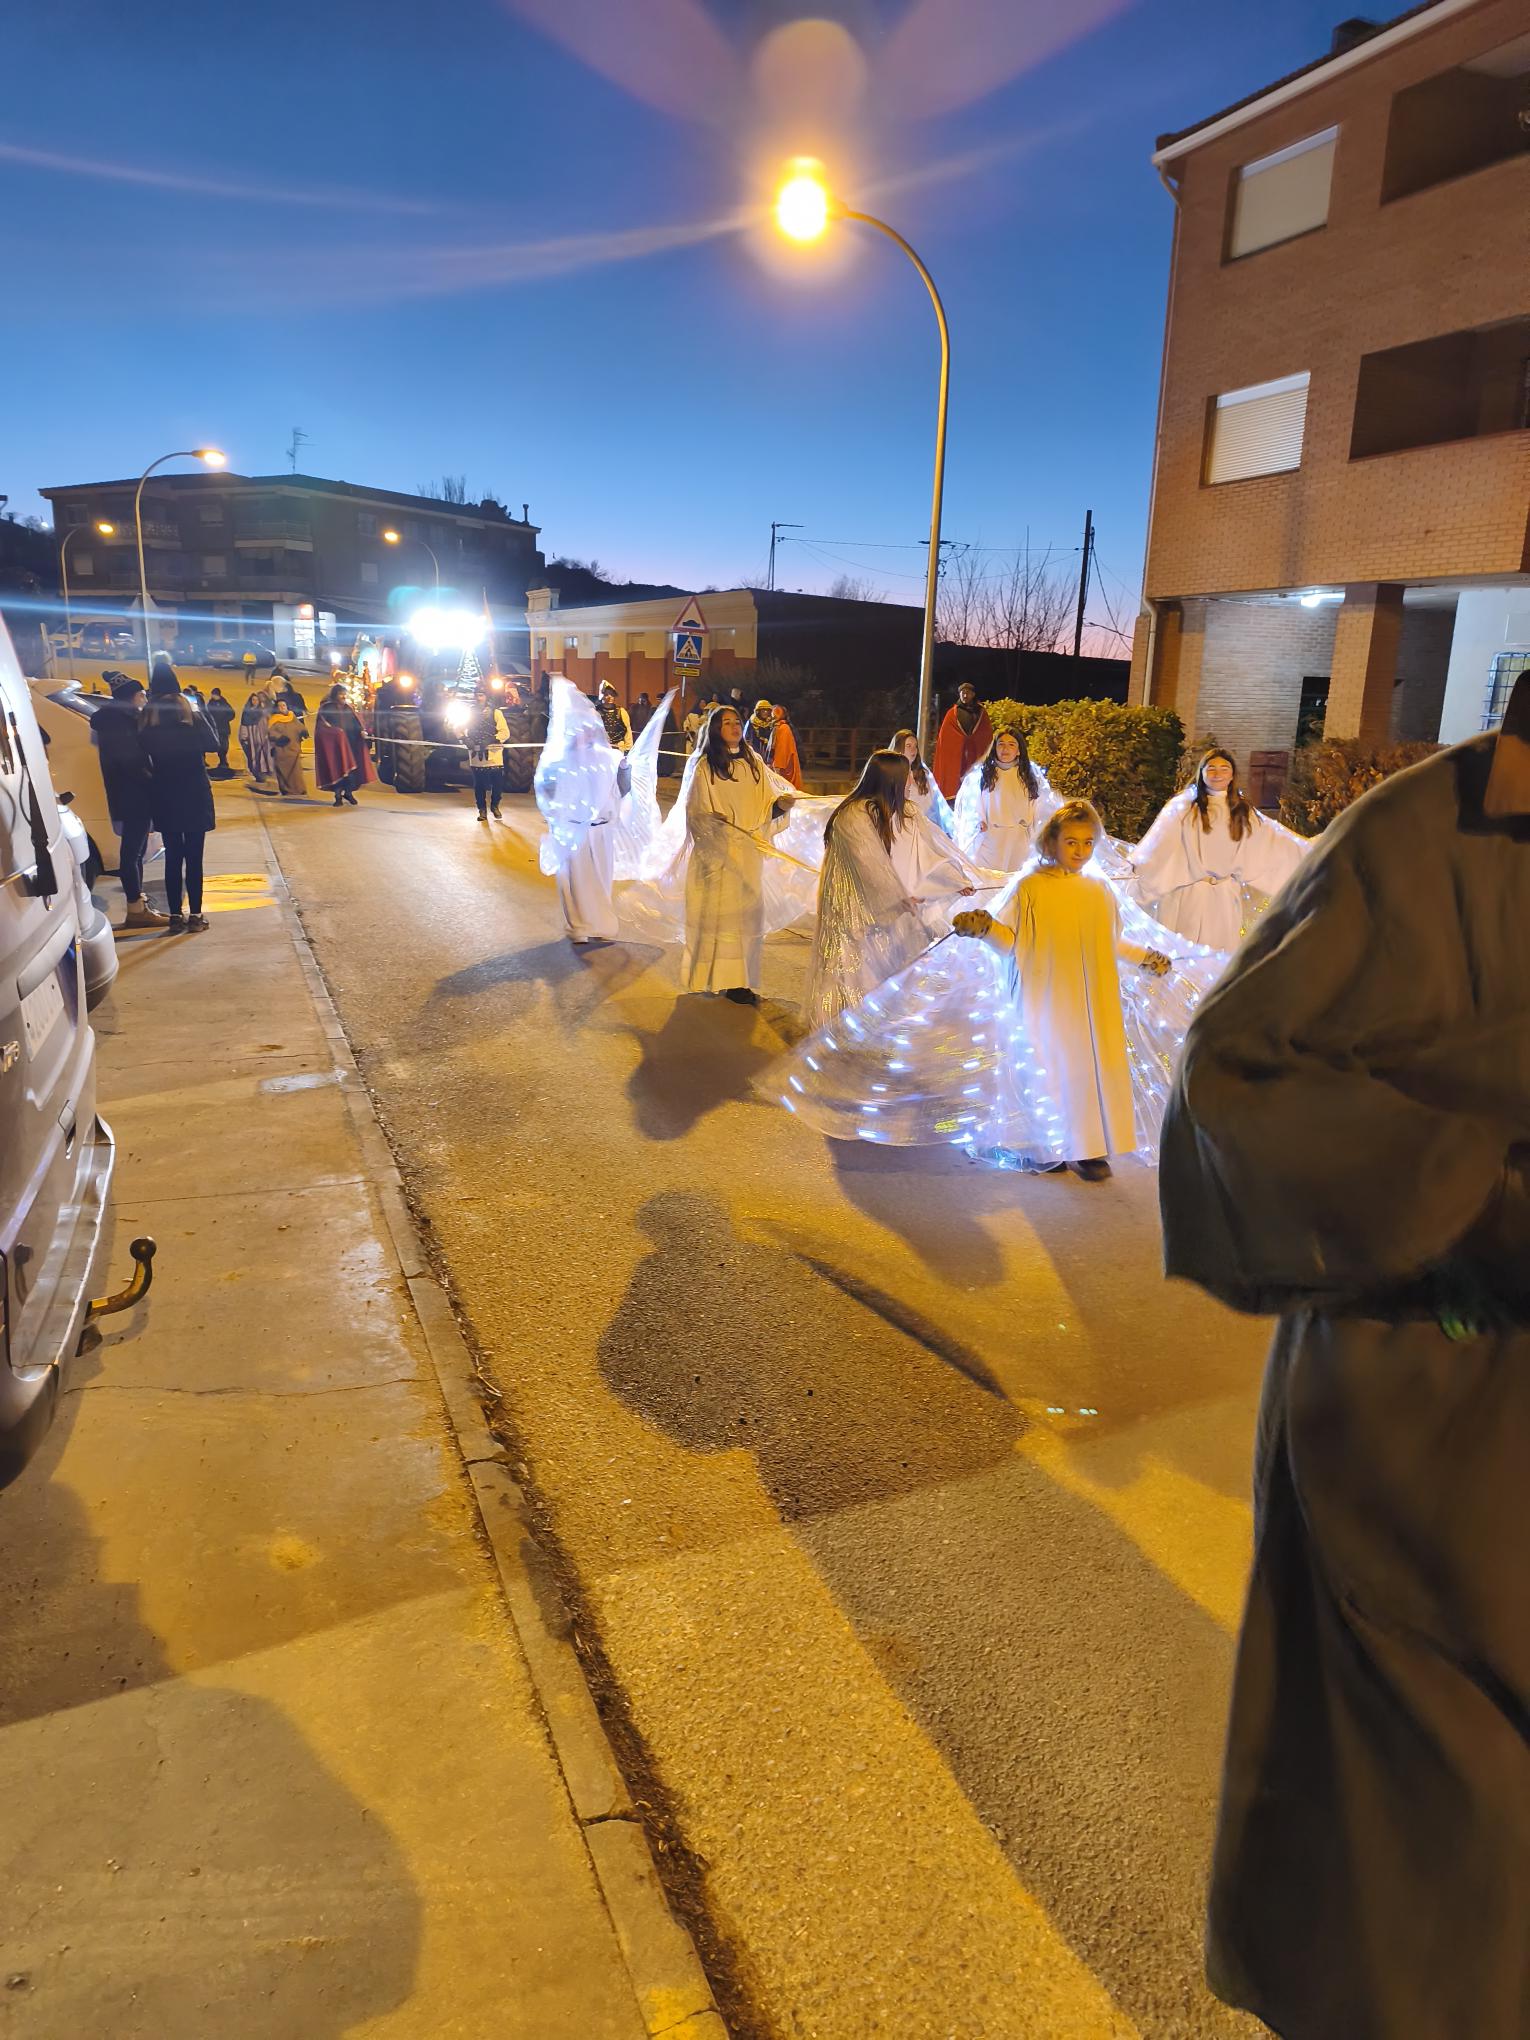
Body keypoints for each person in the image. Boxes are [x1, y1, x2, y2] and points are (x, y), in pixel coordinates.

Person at [1157, 684, 1530, 2040]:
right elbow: (1233, 1083)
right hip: (1432, 1478)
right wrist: (1481, 1191)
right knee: (1429, 1922)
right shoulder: (1424, 837)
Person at [952, 800, 1170, 1179]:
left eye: (1088, 843)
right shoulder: (1030, 887)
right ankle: (1046, 1145)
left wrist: (1145, 958)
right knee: (1048, 1065)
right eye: (1071, 842)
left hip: (1092, 997)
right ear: (1052, 842)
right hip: (1045, 992)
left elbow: (1111, 940)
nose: (1080, 851)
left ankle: (1088, 1148)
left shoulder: (1099, 890)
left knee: (1088, 1069)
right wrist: (984, 929)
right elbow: (1011, 942)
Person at [805, 750, 984, 1028]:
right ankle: (841, 1029)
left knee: (889, 970)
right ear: (892, 780)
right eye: (907, 775)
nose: (912, 780)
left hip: (895, 906)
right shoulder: (854, 817)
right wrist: (896, 897)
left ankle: (875, 1028)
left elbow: (931, 849)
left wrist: (954, 880)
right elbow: (869, 865)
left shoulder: (907, 812)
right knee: (853, 969)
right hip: (856, 910)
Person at [1129, 747, 1310, 953]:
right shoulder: (1183, 806)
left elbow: (1272, 840)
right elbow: (1160, 842)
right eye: (1211, 768)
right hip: (1187, 896)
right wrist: (1138, 866)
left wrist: (1310, 853)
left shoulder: (1242, 810)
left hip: (1224, 899)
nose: (1217, 774)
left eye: (1224, 769)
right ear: (1202, 773)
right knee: (1184, 956)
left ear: (1232, 775)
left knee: (1218, 956)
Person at [682, 704, 797, 1004]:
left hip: (748, 855)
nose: (734, 727)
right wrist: (713, 824)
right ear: (715, 730)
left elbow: (763, 807)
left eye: (737, 721)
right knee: (723, 919)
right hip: (719, 858)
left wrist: (780, 806)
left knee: (747, 919)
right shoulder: (705, 767)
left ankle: (740, 980)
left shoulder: (753, 762)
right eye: (727, 723)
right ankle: (722, 979)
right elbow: (695, 812)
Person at [534, 678, 627, 942]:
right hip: (573, 829)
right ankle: (579, 926)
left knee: (600, 880)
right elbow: (548, 791)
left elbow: (622, 789)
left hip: (601, 829)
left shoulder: (608, 758)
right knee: (574, 880)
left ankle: (601, 924)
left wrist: (625, 770)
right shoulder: (559, 761)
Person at [141, 669, 217, 935]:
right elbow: (214, 743)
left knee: (173, 857)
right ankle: (195, 915)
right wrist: (198, 713)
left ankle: (175, 916)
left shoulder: (148, 722)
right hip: (194, 793)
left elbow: (141, 757)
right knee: (195, 858)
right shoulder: (191, 719)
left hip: (165, 794)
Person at [91, 676, 165, 929]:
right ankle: (135, 908)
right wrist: (153, 783)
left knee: (136, 851)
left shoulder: (116, 720)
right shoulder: (119, 723)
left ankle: (139, 905)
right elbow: (131, 762)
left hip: (128, 793)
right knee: (132, 852)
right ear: (132, 696)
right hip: (134, 794)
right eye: (141, 693)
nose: (144, 697)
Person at [954, 728, 1058, 871]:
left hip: (1019, 841)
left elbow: (1040, 805)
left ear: (1019, 750)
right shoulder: (982, 775)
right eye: (1001, 744)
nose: (1005, 749)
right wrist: (978, 820)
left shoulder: (1030, 776)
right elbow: (971, 803)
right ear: (995, 748)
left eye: (1011, 744)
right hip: (991, 841)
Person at [314, 684, 375, 807]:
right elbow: (321, 727)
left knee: (351, 772)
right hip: (335, 748)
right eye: (341, 694)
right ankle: (338, 796)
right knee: (338, 770)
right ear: (335, 695)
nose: (343, 696)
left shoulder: (348, 708)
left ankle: (348, 793)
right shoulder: (327, 708)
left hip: (351, 744)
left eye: (344, 694)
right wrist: (337, 733)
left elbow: (356, 723)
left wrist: (361, 731)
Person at [932, 682, 992, 799]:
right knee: (955, 785)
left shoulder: (981, 713)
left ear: (973, 694)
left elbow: (986, 735)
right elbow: (945, 739)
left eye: (968, 693)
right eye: (962, 693)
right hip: (956, 757)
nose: (965, 695)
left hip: (975, 755)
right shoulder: (952, 714)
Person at [891, 727, 956, 835]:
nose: (913, 750)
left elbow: (936, 802)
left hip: (928, 826)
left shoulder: (923, 773)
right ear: (898, 747)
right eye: (908, 746)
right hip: (904, 829)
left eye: (915, 746)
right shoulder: (891, 774)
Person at [463, 683, 510, 821]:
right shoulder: (469, 713)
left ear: (486, 696)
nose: (479, 698)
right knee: (479, 785)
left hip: (494, 755)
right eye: (477, 695)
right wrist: (465, 738)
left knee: (497, 784)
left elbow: (505, 732)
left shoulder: (496, 713)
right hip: (476, 756)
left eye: (481, 695)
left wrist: (492, 739)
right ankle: (482, 810)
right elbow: (458, 727)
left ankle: (495, 806)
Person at [267, 694, 308, 797]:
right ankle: (287, 790)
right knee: (284, 771)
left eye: (284, 705)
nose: (282, 707)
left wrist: (303, 732)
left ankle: (299, 789)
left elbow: (300, 726)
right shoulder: (274, 719)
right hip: (282, 750)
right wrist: (279, 737)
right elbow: (271, 732)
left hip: (294, 749)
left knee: (296, 772)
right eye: (280, 706)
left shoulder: (292, 716)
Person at [240, 685, 275, 785]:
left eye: (256, 700)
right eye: (253, 700)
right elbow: (243, 724)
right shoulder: (247, 712)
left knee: (264, 755)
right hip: (251, 738)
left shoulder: (263, 712)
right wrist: (244, 736)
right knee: (253, 756)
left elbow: (269, 723)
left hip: (263, 737)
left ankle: (263, 773)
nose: (255, 701)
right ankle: (256, 773)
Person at [769, 704, 804, 790]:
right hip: (781, 766)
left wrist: (777, 767)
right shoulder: (778, 727)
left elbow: (782, 750)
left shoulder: (783, 728)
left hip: (784, 767)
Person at [204, 686, 236, 777]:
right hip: (215, 729)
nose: (212, 696)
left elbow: (232, 714)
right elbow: (207, 714)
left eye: (213, 695)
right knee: (217, 745)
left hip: (224, 729)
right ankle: (221, 761)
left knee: (224, 746)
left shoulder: (224, 703)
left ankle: (223, 762)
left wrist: (224, 719)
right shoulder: (210, 704)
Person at [596, 681, 633, 753]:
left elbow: (628, 732)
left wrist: (628, 749)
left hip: (618, 749)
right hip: (600, 749)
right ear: (602, 696)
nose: (610, 697)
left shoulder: (621, 712)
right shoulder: (595, 711)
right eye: (606, 694)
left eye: (612, 694)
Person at [746, 698, 777, 763]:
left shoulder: (772, 723)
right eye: (763, 710)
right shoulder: (751, 722)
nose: (765, 712)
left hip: (769, 754)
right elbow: (746, 739)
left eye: (767, 710)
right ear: (758, 711)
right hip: (755, 753)